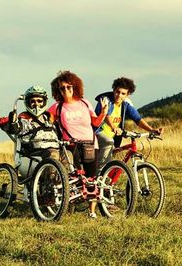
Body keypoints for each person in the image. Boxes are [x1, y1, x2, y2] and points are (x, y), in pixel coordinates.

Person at [47, 70, 108, 219]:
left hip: (89, 144)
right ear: (58, 90)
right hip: (71, 146)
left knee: (91, 179)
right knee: (73, 178)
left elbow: (95, 122)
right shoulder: (57, 107)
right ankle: (69, 206)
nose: (66, 90)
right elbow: (46, 121)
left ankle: (92, 211)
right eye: (62, 88)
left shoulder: (85, 103)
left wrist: (104, 113)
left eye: (69, 87)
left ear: (75, 87)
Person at [94, 77, 164, 176]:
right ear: (113, 90)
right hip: (98, 132)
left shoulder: (126, 103)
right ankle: (99, 179)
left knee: (108, 160)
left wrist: (152, 130)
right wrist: (114, 127)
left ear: (128, 94)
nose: (119, 95)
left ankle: (106, 180)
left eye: (123, 93)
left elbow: (137, 119)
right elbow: (106, 115)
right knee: (107, 145)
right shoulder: (106, 99)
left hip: (113, 136)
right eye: (117, 92)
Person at [0, 85, 69, 173]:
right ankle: (51, 183)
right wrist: (12, 123)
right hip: (32, 155)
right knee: (53, 154)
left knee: (68, 155)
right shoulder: (24, 118)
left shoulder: (49, 118)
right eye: (33, 101)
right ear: (27, 103)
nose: (36, 104)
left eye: (39, 101)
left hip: (51, 152)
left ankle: (65, 183)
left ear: (44, 102)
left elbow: (59, 135)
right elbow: (15, 129)